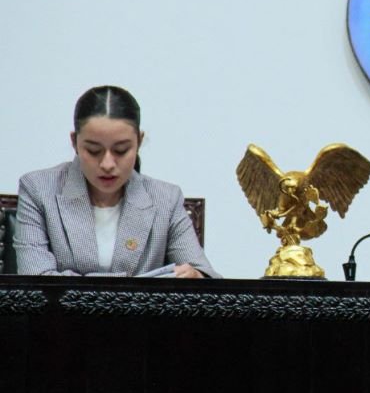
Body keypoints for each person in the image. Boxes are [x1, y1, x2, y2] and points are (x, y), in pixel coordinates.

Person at [13, 85, 220, 278]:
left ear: (139, 142)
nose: (107, 164)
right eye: (93, 151)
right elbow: (35, 282)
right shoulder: (38, 189)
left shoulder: (166, 199)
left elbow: (207, 277)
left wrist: (196, 276)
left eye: (121, 150)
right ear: (74, 142)